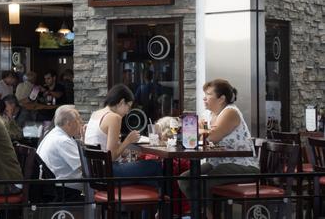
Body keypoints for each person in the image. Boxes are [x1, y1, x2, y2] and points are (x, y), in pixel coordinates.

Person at [178, 79, 259, 219]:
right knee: (184, 179)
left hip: (244, 165)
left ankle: (210, 215)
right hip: (218, 163)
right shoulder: (209, 115)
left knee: (207, 181)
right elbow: (198, 136)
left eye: (208, 94)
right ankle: (206, 213)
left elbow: (211, 138)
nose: (204, 98)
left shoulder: (230, 112)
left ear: (221, 98)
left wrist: (202, 132)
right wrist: (201, 131)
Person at [83, 84, 161, 186]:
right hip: (109, 172)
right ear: (121, 102)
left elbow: (105, 148)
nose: (128, 112)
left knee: (150, 181)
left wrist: (125, 150)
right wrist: (128, 141)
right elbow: (111, 156)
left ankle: (151, 199)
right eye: (128, 106)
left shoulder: (96, 114)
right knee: (155, 166)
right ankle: (168, 200)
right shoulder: (114, 117)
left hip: (96, 172)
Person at [36, 105, 84, 200]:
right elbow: (85, 167)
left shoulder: (54, 134)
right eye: (78, 119)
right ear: (68, 123)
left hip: (54, 188)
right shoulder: (62, 140)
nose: (81, 122)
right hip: (64, 192)